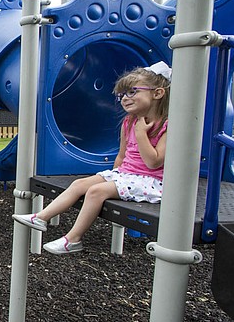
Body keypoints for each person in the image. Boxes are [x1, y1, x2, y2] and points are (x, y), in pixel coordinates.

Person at [13, 61, 172, 254]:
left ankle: (73, 239)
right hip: (127, 174)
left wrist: (141, 135)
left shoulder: (166, 125)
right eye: (122, 94)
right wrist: (114, 174)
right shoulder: (129, 122)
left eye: (132, 92)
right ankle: (41, 217)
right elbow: (122, 155)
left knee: (96, 192)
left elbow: (153, 161)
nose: (124, 98)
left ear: (157, 93)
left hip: (153, 182)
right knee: (80, 184)